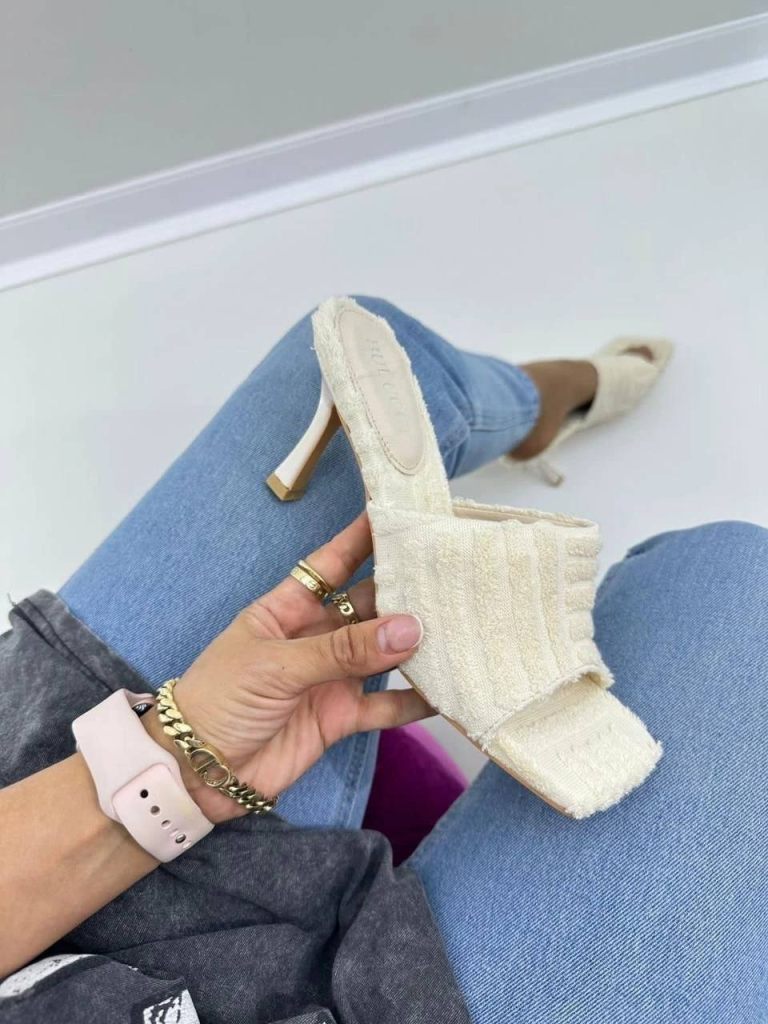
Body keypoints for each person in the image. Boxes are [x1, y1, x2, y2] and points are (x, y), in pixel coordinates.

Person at [0, 297, 764, 1024]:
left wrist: (175, 760)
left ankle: (535, 411)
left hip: (46, 845)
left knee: (343, 377)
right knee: (733, 579)